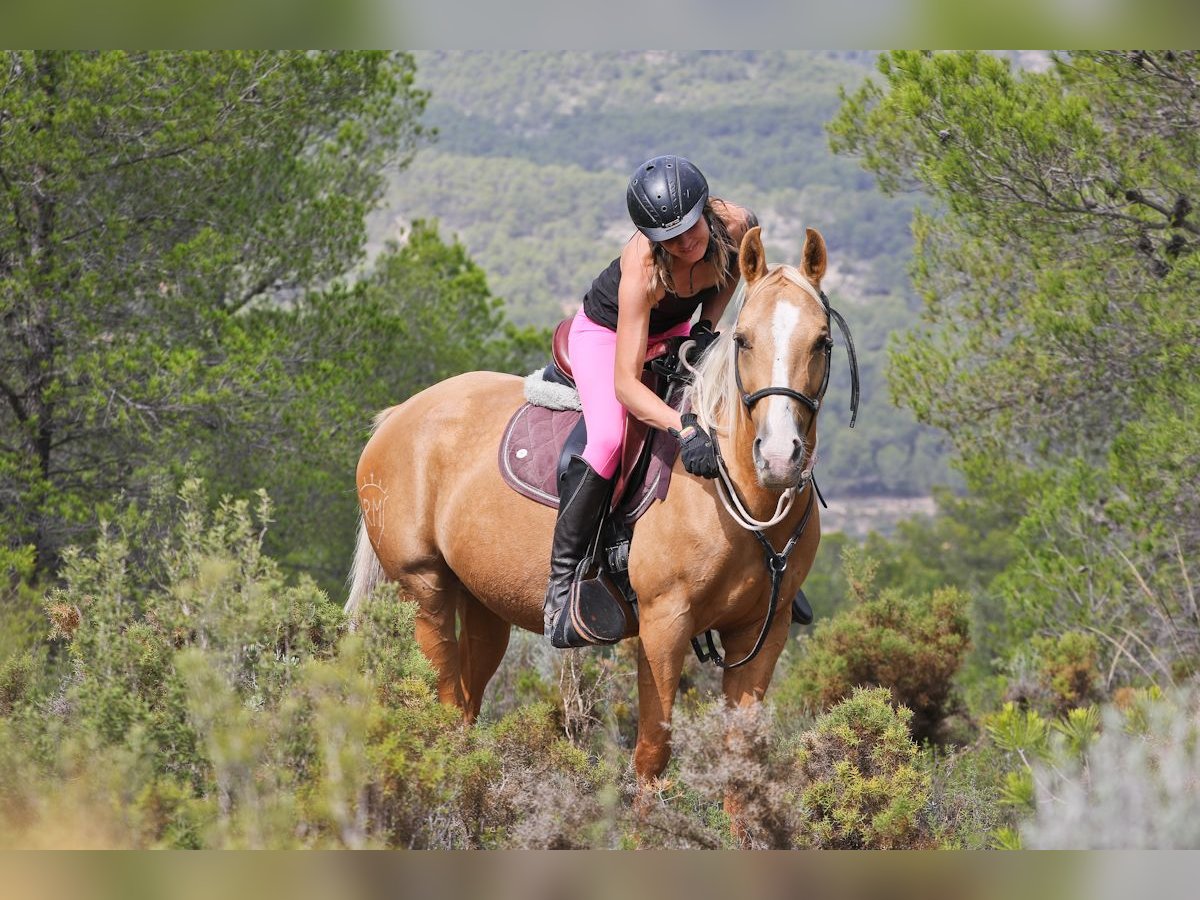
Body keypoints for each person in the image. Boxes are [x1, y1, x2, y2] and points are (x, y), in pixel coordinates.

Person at [544, 154, 758, 649]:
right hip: (607, 335)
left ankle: (761, 560)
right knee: (607, 439)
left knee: (739, 407)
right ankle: (562, 588)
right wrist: (682, 427)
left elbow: (732, 275)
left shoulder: (735, 223)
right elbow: (627, 385)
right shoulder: (640, 268)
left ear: (706, 208)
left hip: (675, 330)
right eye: (672, 240)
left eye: (691, 228)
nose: (688, 243)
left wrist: (706, 327)